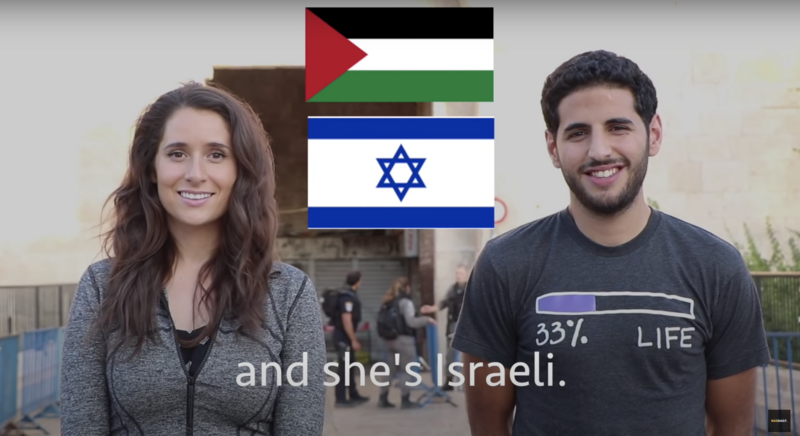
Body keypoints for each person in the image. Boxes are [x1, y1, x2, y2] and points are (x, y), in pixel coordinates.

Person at [451, 50, 770, 436]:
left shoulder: (717, 266)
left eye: (618, 127)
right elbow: (489, 426)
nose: (599, 150)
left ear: (653, 135)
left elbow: (731, 427)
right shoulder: (505, 264)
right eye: (578, 132)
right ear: (553, 148)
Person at [59, 82, 327, 435]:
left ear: (239, 170)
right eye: (177, 153)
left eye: (216, 154)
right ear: (152, 168)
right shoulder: (101, 287)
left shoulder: (289, 294)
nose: (196, 173)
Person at [377, 277, 436, 409]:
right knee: (406, 371)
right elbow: (411, 322)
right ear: (407, 287)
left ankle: (383, 398)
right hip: (404, 341)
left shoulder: (387, 301)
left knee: (390, 371)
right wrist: (427, 320)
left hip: (389, 341)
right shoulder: (405, 302)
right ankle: (405, 400)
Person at [420, 264, 469, 390]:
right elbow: (443, 303)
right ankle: (449, 381)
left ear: (466, 274)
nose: (458, 276)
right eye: (457, 273)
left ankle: (468, 382)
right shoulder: (452, 289)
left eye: (461, 273)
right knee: (450, 354)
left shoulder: (471, 288)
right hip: (452, 325)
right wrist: (431, 309)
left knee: (468, 356)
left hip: (466, 326)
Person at [332, 271, 370, 407]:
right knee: (343, 368)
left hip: (345, 336)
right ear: (357, 281)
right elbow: (346, 320)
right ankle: (341, 399)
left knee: (350, 366)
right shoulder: (347, 298)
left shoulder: (350, 295)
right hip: (343, 337)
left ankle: (353, 394)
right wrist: (353, 339)